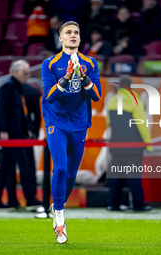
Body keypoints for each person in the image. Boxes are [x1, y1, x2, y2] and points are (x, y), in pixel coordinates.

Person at [42, 21, 101, 243]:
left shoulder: (90, 63)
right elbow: (49, 96)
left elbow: (96, 95)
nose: (73, 35)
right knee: (60, 168)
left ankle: (57, 205)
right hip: (55, 121)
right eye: (68, 32)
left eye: (76, 32)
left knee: (70, 174)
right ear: (61, 38)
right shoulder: (50, 63)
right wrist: (66, 78)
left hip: (79, 122)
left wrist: (83, 77)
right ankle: (59, 218)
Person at [0, 60, 42, 211]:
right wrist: (2, 130)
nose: (28, 76)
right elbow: (0, 109)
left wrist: (27, 129)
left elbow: (20, 113)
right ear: (15, 72)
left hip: (18, 134)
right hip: (12, 136)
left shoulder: (18, 88)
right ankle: (30, 198)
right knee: (25, 165)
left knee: (5, 169)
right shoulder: (8, 87)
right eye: (25, 73)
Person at [106, 76, 152, 211]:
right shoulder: (135, 100)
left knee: (116, 175)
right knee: (134, 175)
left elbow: (109, 122)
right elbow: (142, 124)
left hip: (116, 144)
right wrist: (148, 144)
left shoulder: (112, 101)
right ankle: (138, 205)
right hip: (133, 145)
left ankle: (113, 204)